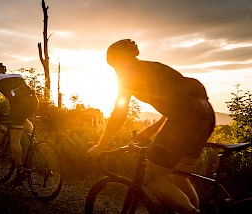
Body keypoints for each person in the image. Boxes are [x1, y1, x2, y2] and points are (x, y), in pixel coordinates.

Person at [87, 39, 215, 214]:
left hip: (185, 120)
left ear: (120, 59)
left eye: (113, 64)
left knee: (153, 178)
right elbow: (177, 101)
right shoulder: (154, 67)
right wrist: (152, 129)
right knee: (179, 177)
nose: (115, 69)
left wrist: (101, 145)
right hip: (205, 116)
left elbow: (119, 112)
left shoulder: (129, 74)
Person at [0, 63, 39, 185]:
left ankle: (20, 171)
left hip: (19, 105)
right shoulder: (17, 75)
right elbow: (22, 92)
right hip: (34, 101)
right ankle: (35, 144)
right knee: (22, 119)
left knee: (15, 140)